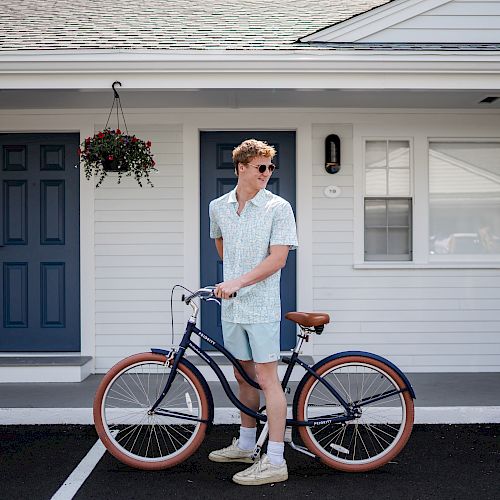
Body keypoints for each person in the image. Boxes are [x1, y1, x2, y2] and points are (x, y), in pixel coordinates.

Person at [207, 138, 298, 486]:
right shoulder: (218, 206)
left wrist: (238, 281)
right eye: (261, 167)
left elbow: (278, 259)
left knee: (265, 379)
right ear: (241, 168)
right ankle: (247, 444)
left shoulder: (278, 207)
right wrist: (232, 280)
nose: (266, 174)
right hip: (232, 308)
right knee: (242, 376)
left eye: (270, 168)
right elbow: (221, 244)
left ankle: (275, 459)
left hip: (261, 306)